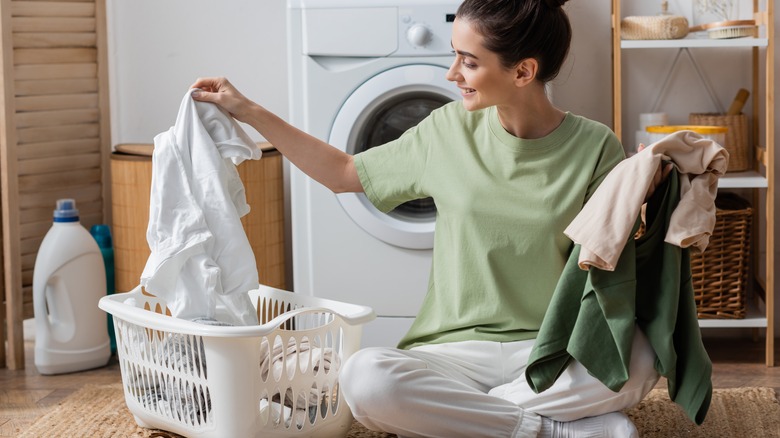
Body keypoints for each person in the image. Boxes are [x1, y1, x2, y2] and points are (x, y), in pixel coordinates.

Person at [191, 1, 667, 436]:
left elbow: (612, 251)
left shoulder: (594, 145)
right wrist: (248, 111)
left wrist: (647, 191)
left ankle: (471, 416)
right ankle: (549, 429)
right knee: (366, 378)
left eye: (469, 61)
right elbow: (343, 172)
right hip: (452, 353)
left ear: (523, 71)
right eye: (455, 55)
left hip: (550, 349)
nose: (451, 74)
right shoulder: (447, 129)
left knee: (643, 356)